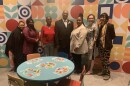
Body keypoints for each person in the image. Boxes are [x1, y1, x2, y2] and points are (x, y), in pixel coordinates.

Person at [96, 13, 115, 80]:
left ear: (107, 19)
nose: (102, 18)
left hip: (107, 46)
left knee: (106, 60)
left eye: (104, 17)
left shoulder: (110, 26)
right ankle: (103, 71)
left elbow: (113, 36)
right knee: (102, 60)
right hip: (100, 46)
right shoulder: (100, 26)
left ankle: (107, 74)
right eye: (101, 17)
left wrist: (106, 39)